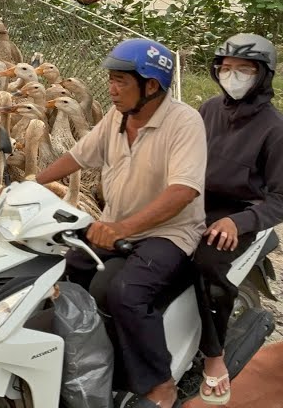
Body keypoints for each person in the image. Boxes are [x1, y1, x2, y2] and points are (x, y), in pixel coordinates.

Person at [36, 38, 206, 408]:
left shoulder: (184, 122)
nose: (111, 90)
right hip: (115, 227)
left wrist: (122, 229)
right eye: (111, 80)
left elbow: (183, 191)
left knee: (127, 293)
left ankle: (161, 383)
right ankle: (87, 358)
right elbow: (78, 157)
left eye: (121, 82)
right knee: (64, 271)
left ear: (151, 86)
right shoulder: (117, 118)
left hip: (168, 233)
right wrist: (30, 184)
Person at [192, 34, 283, 405]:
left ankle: (214, 355)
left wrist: (239, 223)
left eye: (244, 69)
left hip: (239, 212)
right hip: (195, 200)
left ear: (262, 75)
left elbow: (280, 197)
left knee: (206, 264)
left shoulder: (275, 128)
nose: (233, 76)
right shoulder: (209, 109)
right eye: (226, 68)